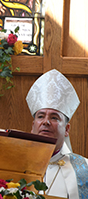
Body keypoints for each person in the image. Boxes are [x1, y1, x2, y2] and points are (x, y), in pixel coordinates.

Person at [26, 69, 88, 199]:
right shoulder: (13, 163)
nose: (46, 122)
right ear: (33, 126)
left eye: (54, 118)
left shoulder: (85, 169)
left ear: (67, 129)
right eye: (41, 116)